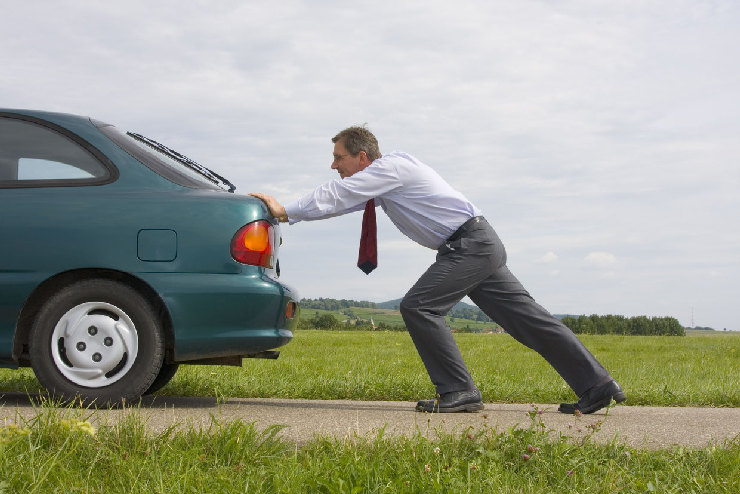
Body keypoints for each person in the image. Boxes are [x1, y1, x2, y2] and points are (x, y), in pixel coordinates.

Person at [250, 126, 626, 414]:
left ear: (362, 157)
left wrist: (285, 209)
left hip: (470, 246)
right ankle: (598, 386)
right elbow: (340, 203)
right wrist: (295, 214)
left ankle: (459, 391)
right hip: (476, 244)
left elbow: (336, 194)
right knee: (528, 320)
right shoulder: (383, 180)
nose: (334, 165)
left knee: (419, 306)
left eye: (338, 158)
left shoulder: (391, 168)